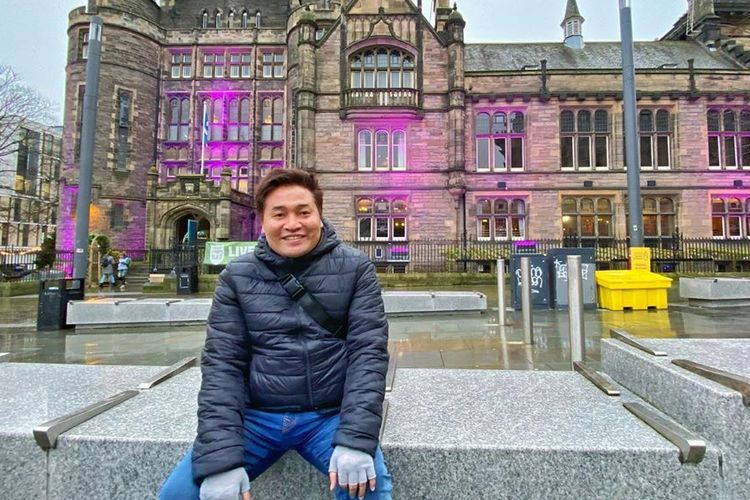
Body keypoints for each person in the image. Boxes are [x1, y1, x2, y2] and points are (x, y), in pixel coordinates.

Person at [159, 169, 392, 500]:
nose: (292, 224)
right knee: (178, 495)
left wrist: (355, 440)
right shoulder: (237, 276)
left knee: (370, 489)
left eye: (303, 212)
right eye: (279, 214)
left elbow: (368, 354)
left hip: (329, 416)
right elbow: (223, 366)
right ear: (262, 220)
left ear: (319, 215)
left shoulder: (356, 268)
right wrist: (221, 462)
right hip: (256, 419)